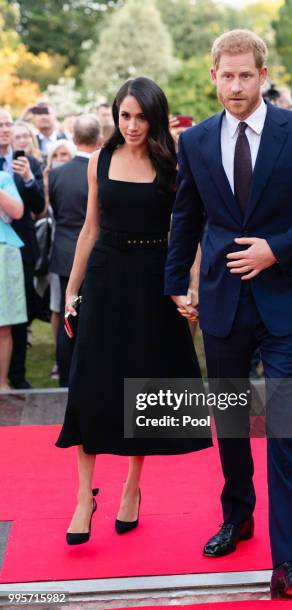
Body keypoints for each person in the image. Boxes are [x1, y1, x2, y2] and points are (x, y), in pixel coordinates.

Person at [164, 29, 292, 599]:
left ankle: (289, 564)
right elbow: (186, 217)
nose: (237, 85)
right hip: (221, 301)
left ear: (263, 76)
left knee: (285, 429)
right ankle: (238, 514)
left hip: (287, 304)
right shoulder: (195, 142)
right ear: (213, 76)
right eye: (227, 75)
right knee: (230, 422)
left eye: (247, 75)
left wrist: (277, 247)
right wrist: (175, 283)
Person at [55, 78, 212, 545]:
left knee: (141, 386)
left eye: (141, 117)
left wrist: (191, 285)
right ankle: (84, 496)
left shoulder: (172, 165)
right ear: (114, 116)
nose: (132, 125)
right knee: (90, 382)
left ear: (155, 118)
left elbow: (189, 230)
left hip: (152, 281)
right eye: (124, 115)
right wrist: (72, 289)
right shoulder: (100, 160)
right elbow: (89, 229)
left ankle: (132, 487)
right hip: (105, 278)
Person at [48, 117, 101, 386]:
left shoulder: (57, 174)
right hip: (93, 252)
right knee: (93, 317)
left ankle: (66, 376)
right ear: (98, 138)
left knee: (67, 315)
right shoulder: (101, 170)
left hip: (64, 251)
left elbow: (55, 212)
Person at [0, 108, 45, 389]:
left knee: (19, 313)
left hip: (20, 246)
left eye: (7, 124)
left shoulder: (28, 163)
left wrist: (28, 179)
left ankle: (16, 375)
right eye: (0, 125)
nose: (5, 129)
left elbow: (39, 208)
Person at [43, 139, 77, 380]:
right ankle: (62, 365)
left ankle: (68, 369)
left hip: (68, 251)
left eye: (66, 153)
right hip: (62, 251)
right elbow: (46, 210)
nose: (62, 157)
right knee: (61, 308)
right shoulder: (53, 177)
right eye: (58, 153)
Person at [0, 172, 26, 390]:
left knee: (3, 324)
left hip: (4, 253)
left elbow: (17, 211)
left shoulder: (4, 178)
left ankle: (2, 382)